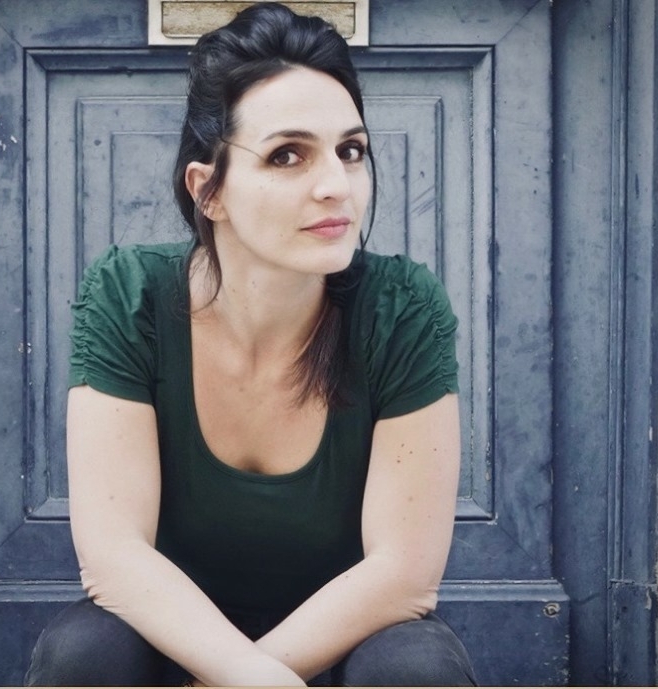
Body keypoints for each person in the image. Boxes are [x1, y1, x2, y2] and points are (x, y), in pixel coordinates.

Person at [25, 2, 477, 685]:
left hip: (343, 642)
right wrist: (241, 676)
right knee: (83, 656)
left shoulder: (401, 307)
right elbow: (115, 556)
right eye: (287, 155)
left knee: (417, 670)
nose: (336, 186)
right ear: (208, 191)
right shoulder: (130, 294)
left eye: (351, 150)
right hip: (174, 637)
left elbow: (403, 575)